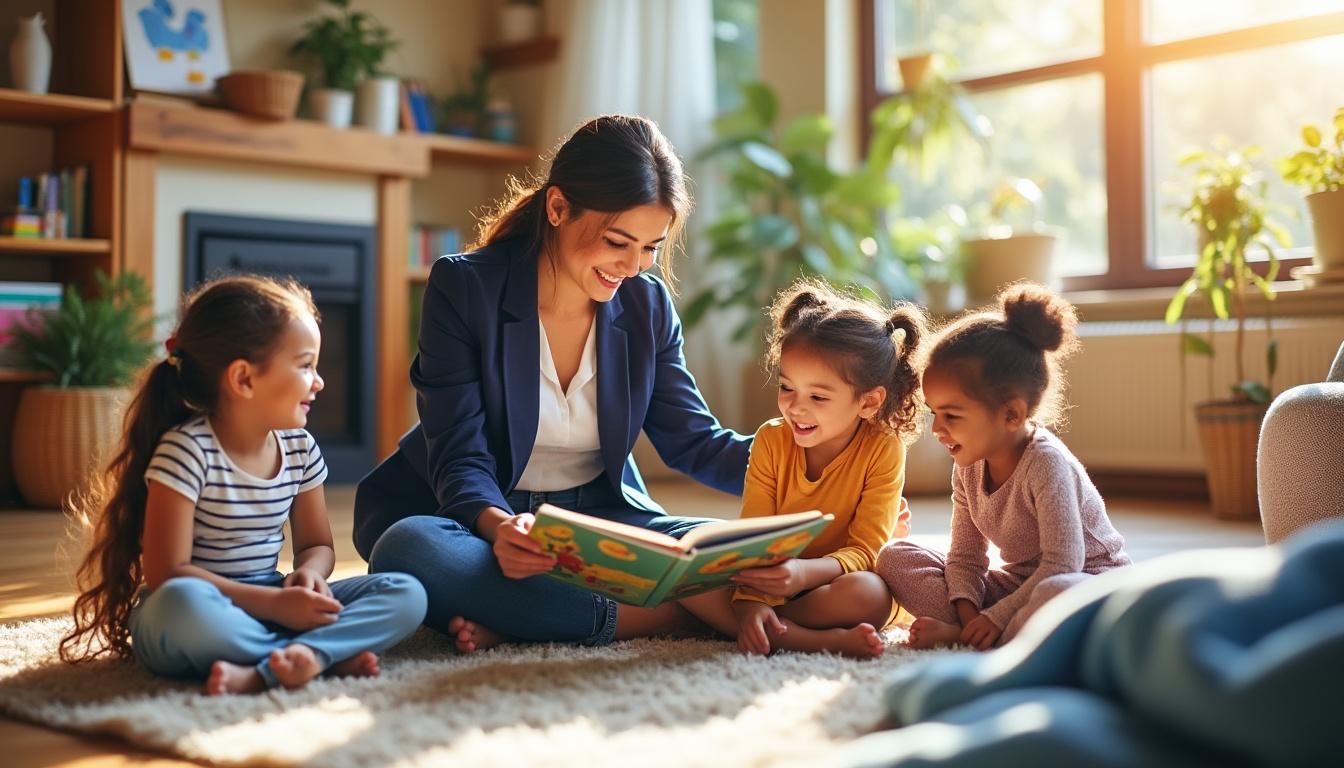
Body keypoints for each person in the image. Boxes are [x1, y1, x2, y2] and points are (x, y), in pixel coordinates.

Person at [354, 115, 752, 652]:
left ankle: (526, 618)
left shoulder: (647, 305)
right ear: (558, 208)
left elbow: (694, 442)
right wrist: (501, 529)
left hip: (599, 517)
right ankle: (664, 615)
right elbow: (460, 456)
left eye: (651, 247)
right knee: (411, 549)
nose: (634, 267)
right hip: (477, 515)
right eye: (618, 241)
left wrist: (827, 467)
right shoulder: (465, 287)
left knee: (737, 552)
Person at [59, 275, 427, 695]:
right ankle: (314, 656)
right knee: (181, 608)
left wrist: (307, 577)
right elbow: (168, 574)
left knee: (406, 593)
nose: (319, 381)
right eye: (306, 365)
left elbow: (317, 546)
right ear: (244, 380)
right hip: (204, 608)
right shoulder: (186, 451)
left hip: (272, 601)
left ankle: (268, 668)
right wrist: (276, 607)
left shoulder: (299, 448)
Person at [677, 280, 925, 659]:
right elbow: (754, 537)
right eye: (787, 387)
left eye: (818, 397)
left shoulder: (883, 448)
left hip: (834, 580)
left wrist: (803, 574)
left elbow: (865, 551)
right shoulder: (770, 440)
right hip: (773, 576)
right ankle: (791, 633)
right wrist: (753, 600)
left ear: (869, 401)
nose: (795, 407)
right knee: (686, 569)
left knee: (868, 594)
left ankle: (761, 628)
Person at [875, 282, 1130, 650]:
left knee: (1056, 590)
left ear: (1011, 414)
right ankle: (989, 635)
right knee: (897, 557)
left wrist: (994, 618)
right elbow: (965, 556)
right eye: (935, 413)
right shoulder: (968, 463)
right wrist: (970, 614)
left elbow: (1063, 564)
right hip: (1017, 586)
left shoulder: (1047, 464)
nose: (938, 430)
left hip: (1087, 584)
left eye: (952, 415)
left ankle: (986, 641)